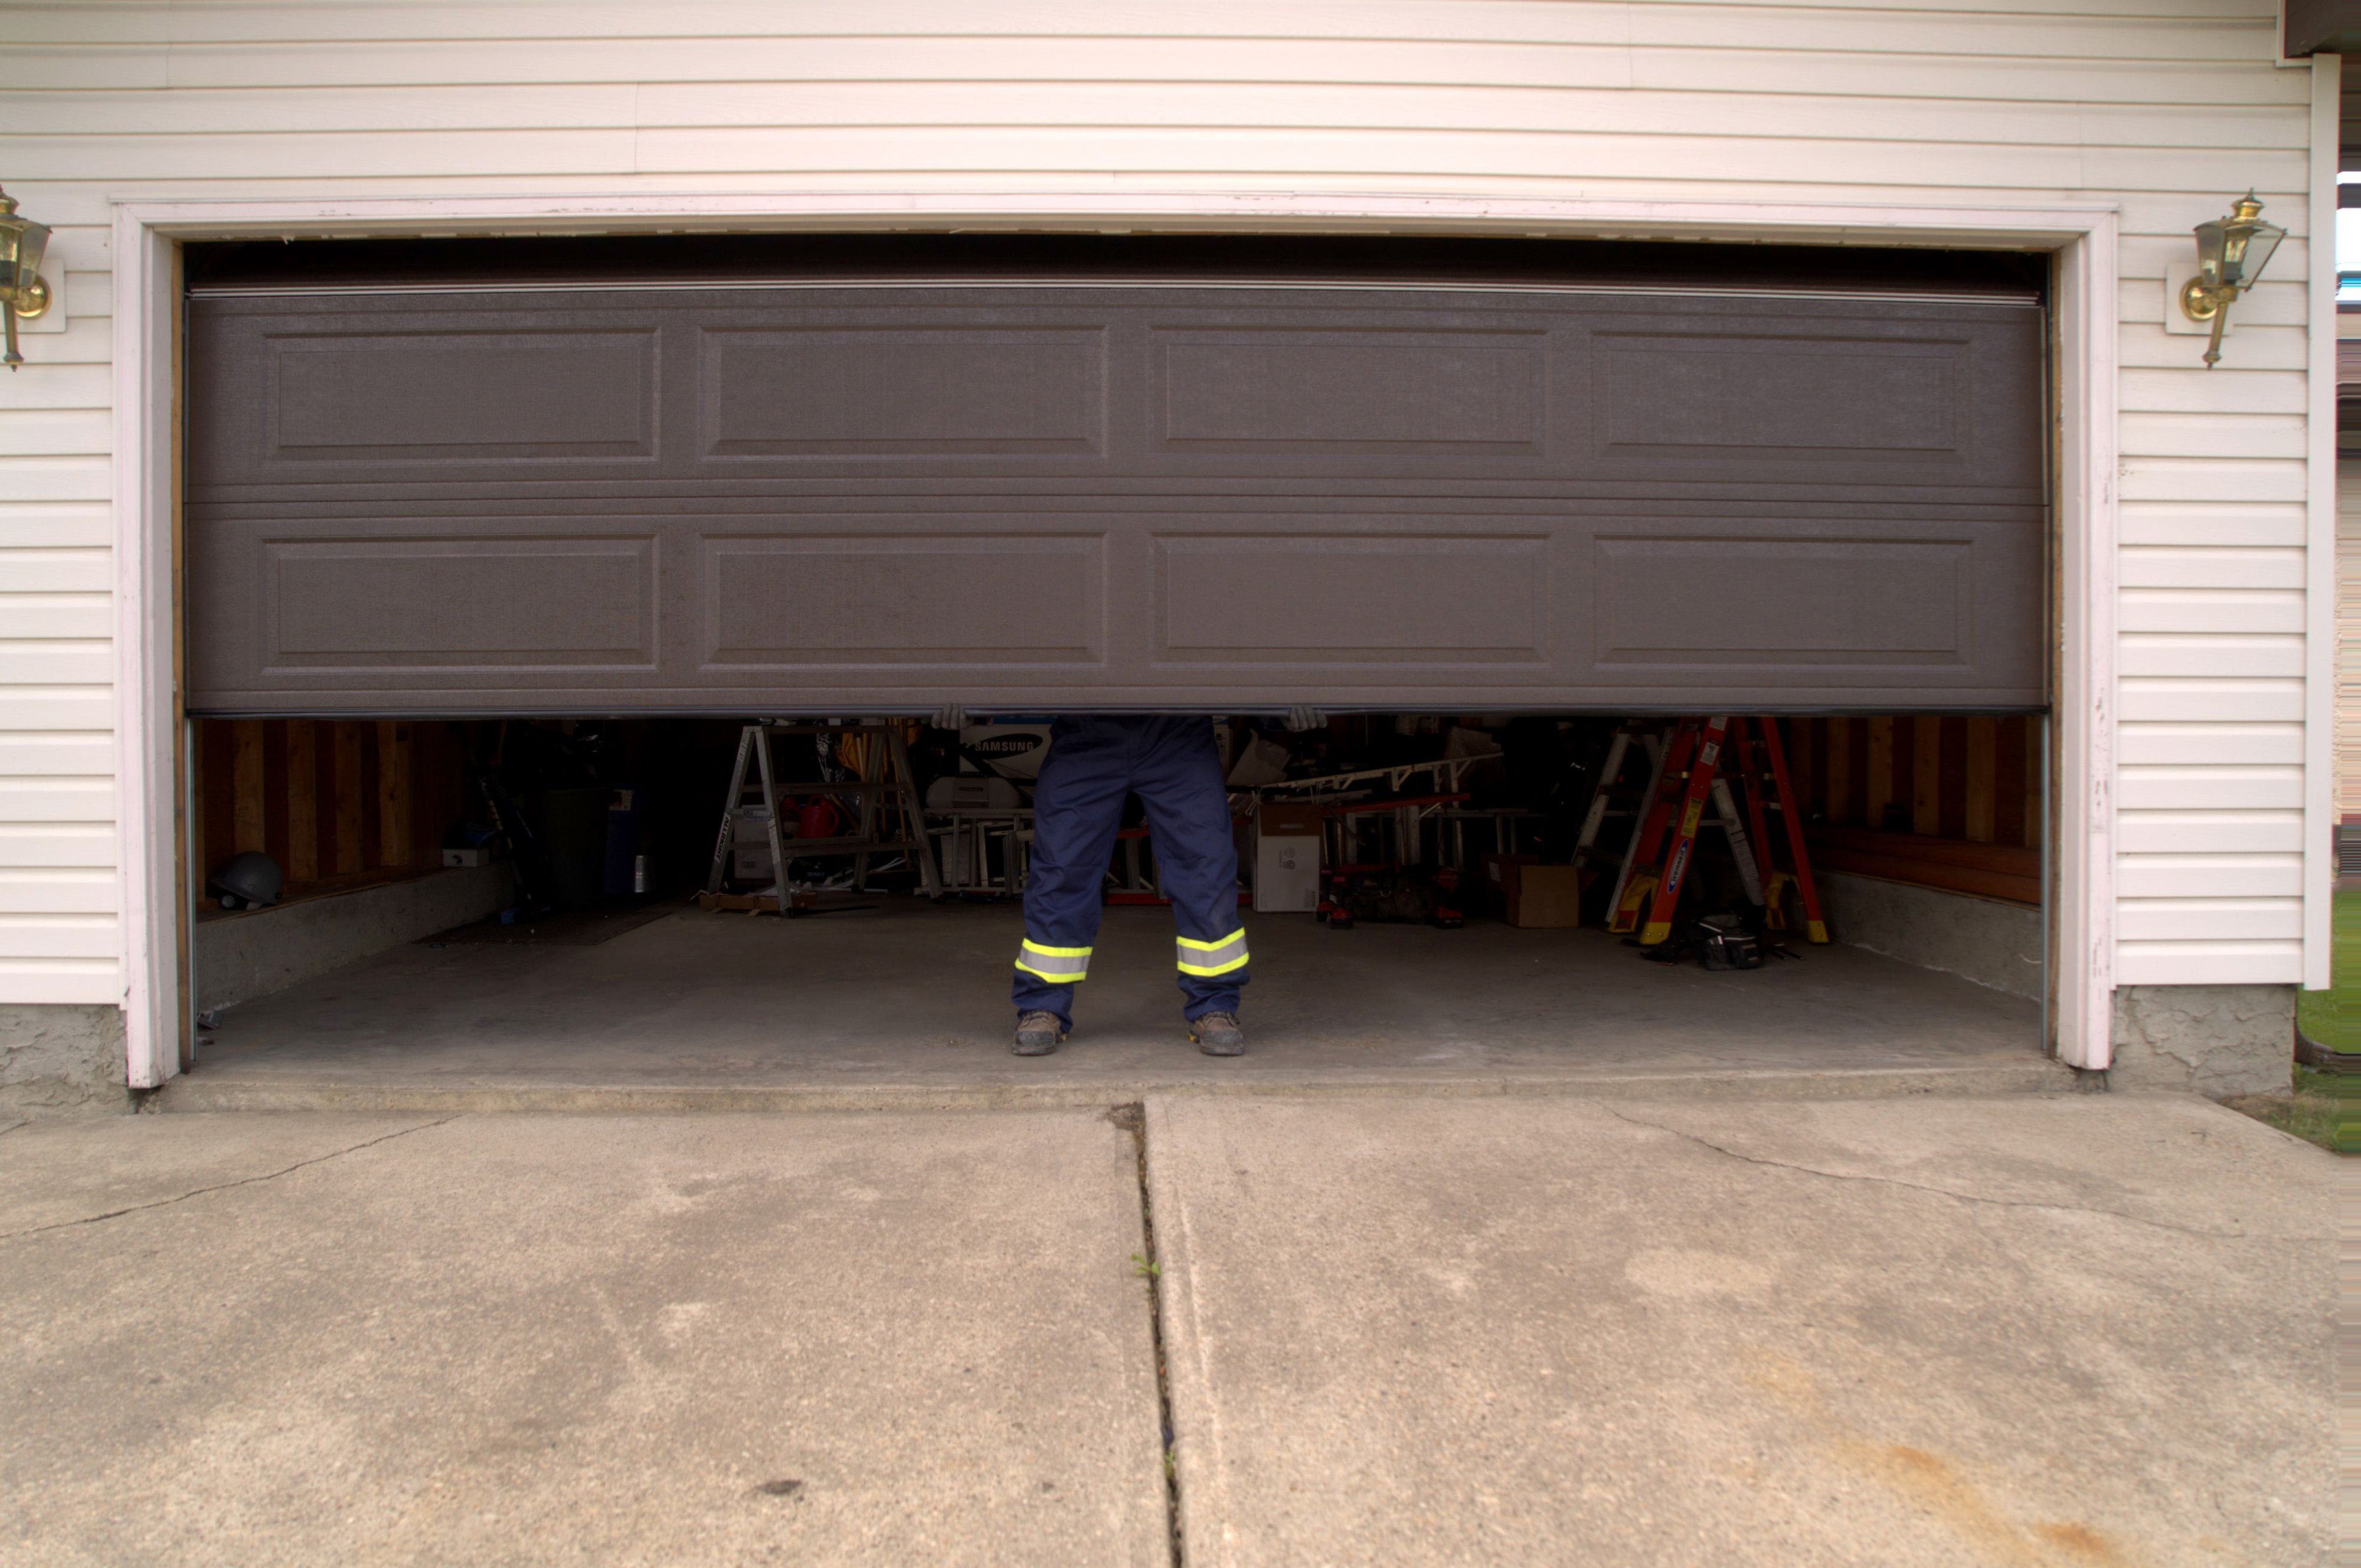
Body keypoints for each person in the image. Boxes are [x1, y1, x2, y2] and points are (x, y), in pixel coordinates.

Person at [1011, 715, 1249, 1056]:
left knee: (1206, 872)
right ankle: (1042, 1005)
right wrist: (966, 697)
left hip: (1177, 733)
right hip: (1086, 734)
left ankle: (1215, 1005)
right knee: (1062, 870)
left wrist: (1288, 702)